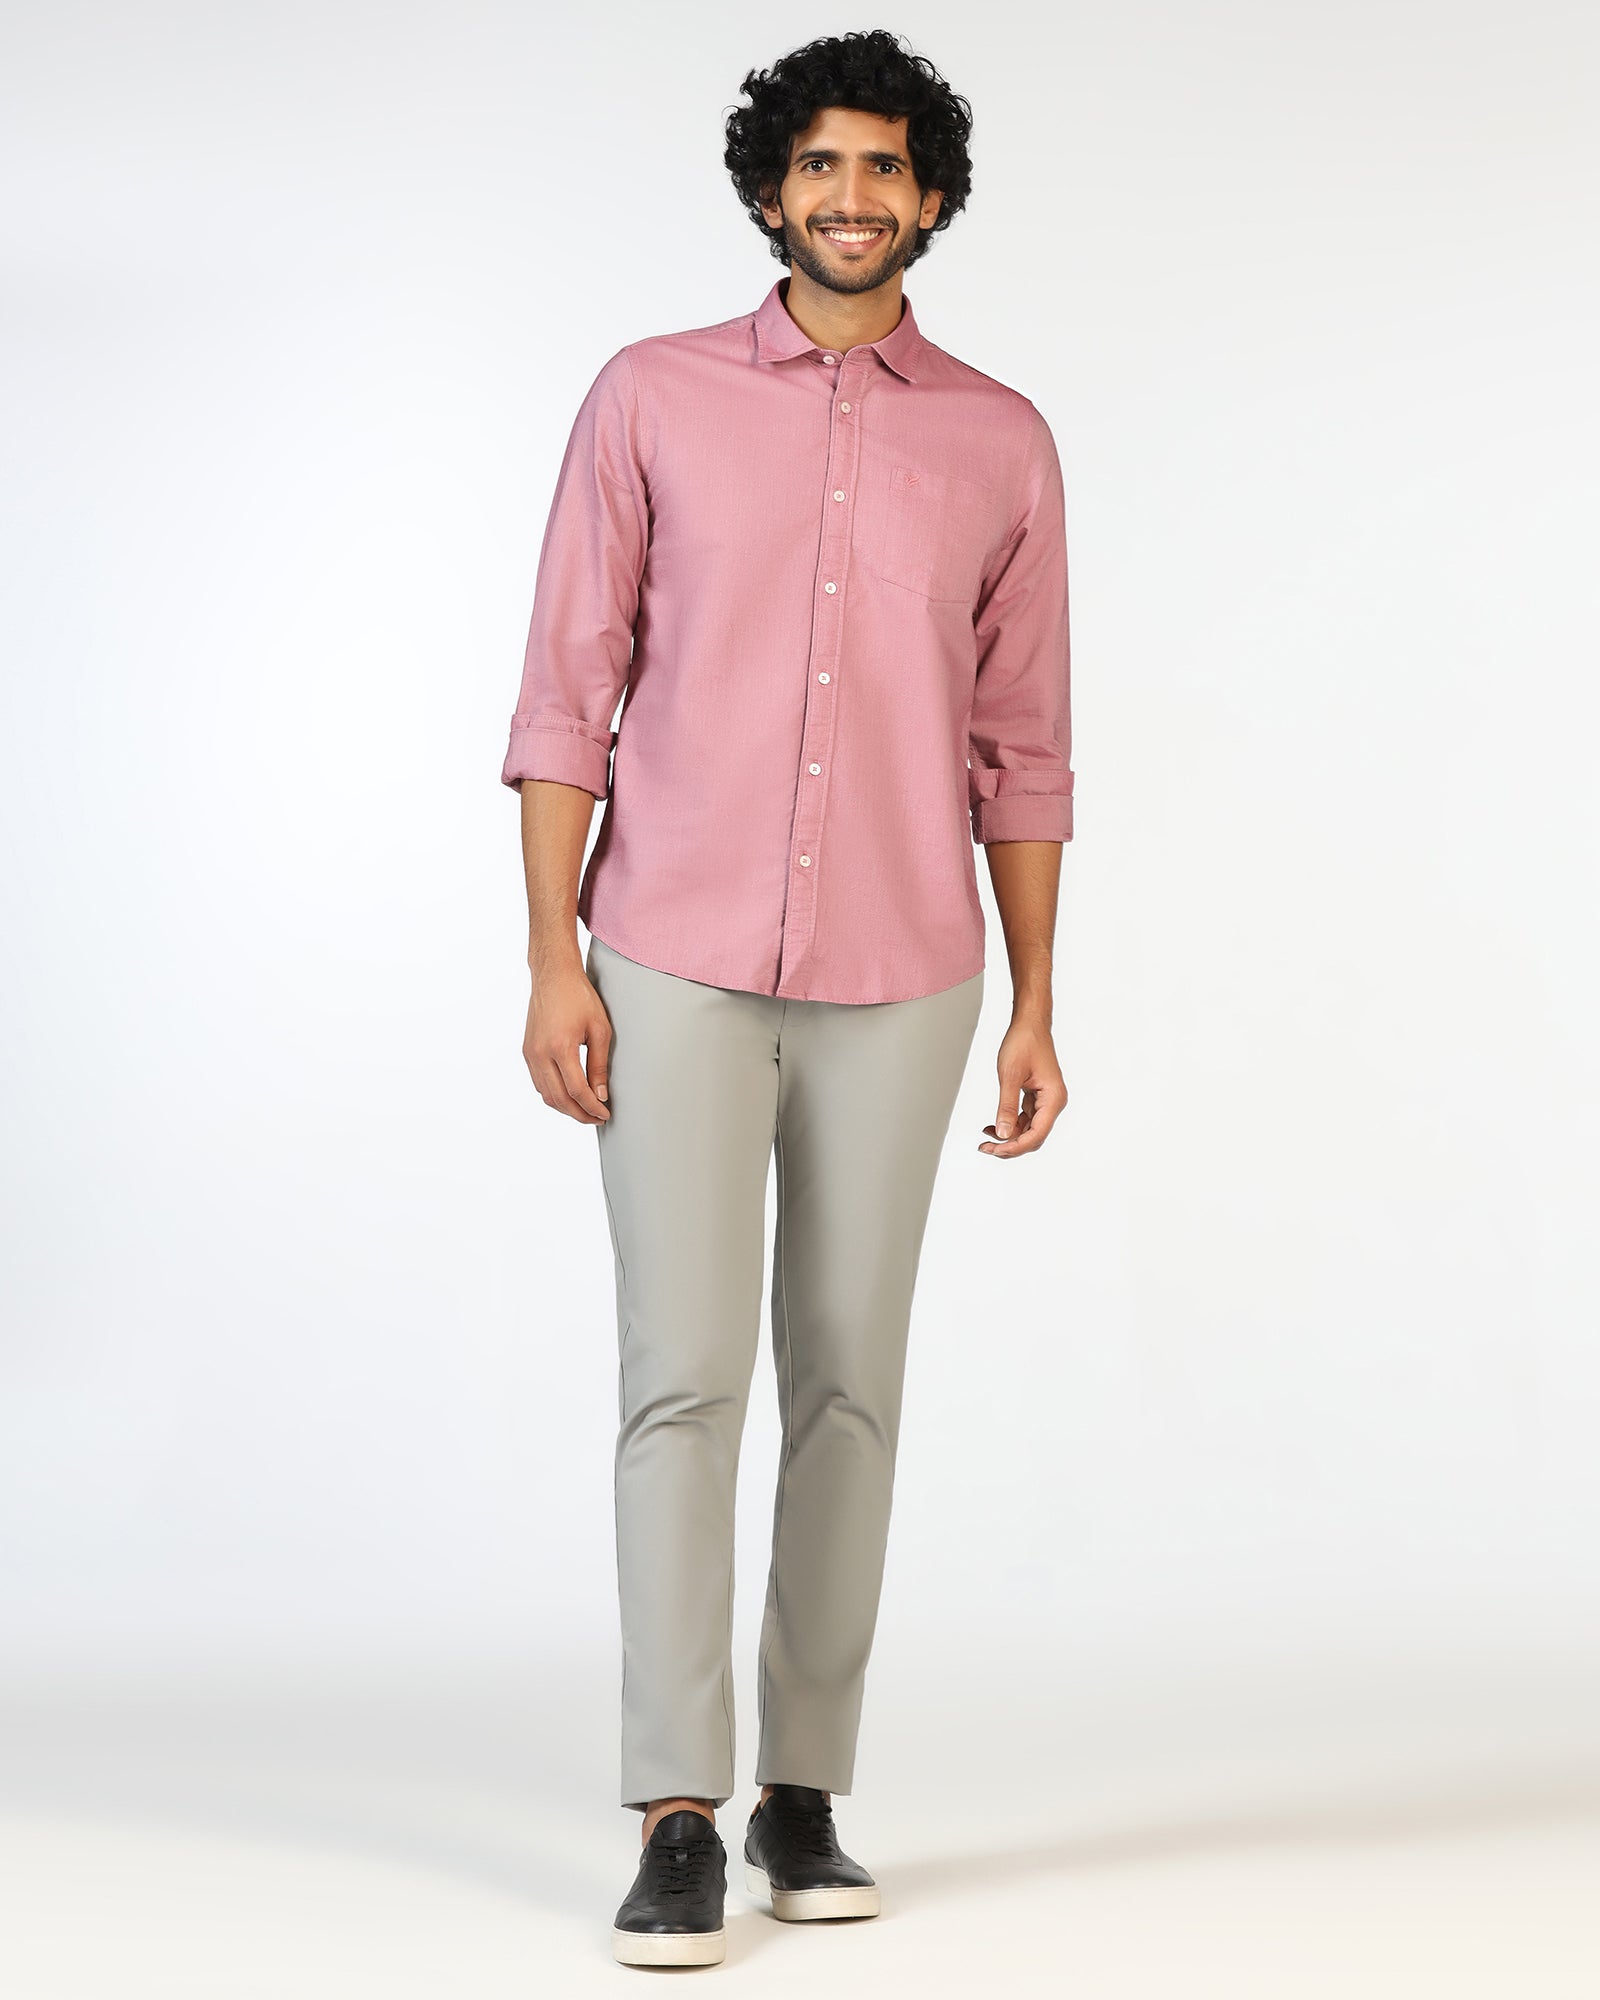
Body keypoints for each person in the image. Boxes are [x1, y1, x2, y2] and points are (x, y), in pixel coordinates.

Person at [502, 28, 1074, 1969]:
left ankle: (800, 1792)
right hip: (667, 950)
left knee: (849, 1382)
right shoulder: (647, 397)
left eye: (884, 166)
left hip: (907, 968)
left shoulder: (998, 439)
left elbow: (1022, 744)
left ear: (931, 197)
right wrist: (552, 955)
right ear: (770, 189)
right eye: (820, 163)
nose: (852, 195)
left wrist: (1035, 1000)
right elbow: (565, 689)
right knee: (681, 1372)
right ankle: (677, 1807)